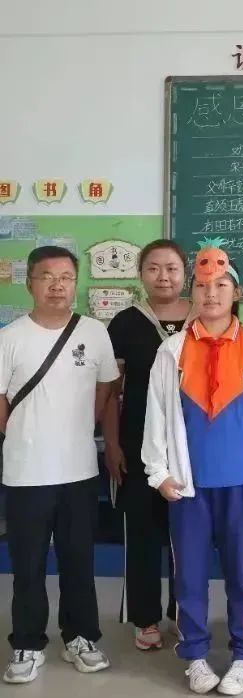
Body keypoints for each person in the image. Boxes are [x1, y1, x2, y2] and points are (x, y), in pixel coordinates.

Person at [143, 239, 243, 695]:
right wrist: (158, 471)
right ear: (192, 293)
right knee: (189, 576)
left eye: (221, 284)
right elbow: (157, 413)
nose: (211, 293)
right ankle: (195, 655)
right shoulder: (172, 350)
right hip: (188, 486)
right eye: (202, 286)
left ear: (237, 293)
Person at [0, 246, 119, 684]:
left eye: (66, 277)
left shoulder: (94, 332)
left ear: (76, 283)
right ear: (29, 282)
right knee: (28, 565)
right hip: (26, 472)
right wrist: (25, 434)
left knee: (78, 561)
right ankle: (28, 644)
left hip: (79, 471)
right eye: (47, 276)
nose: (57, 285)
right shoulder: (10, 337)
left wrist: (79, 430)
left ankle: (81, 637)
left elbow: (106, 389)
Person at [103, 239, 190, 652]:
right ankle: (145, 617)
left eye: (172, 268)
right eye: (154, 268)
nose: (163, 276)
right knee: (141, 533)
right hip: (138, 444)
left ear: (185, 273)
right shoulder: (124, 323)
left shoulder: (204, 317)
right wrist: (112, 444)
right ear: (141, 274)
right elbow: (112, 392)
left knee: (186, 534)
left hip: (189, 446)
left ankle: (184, 612)